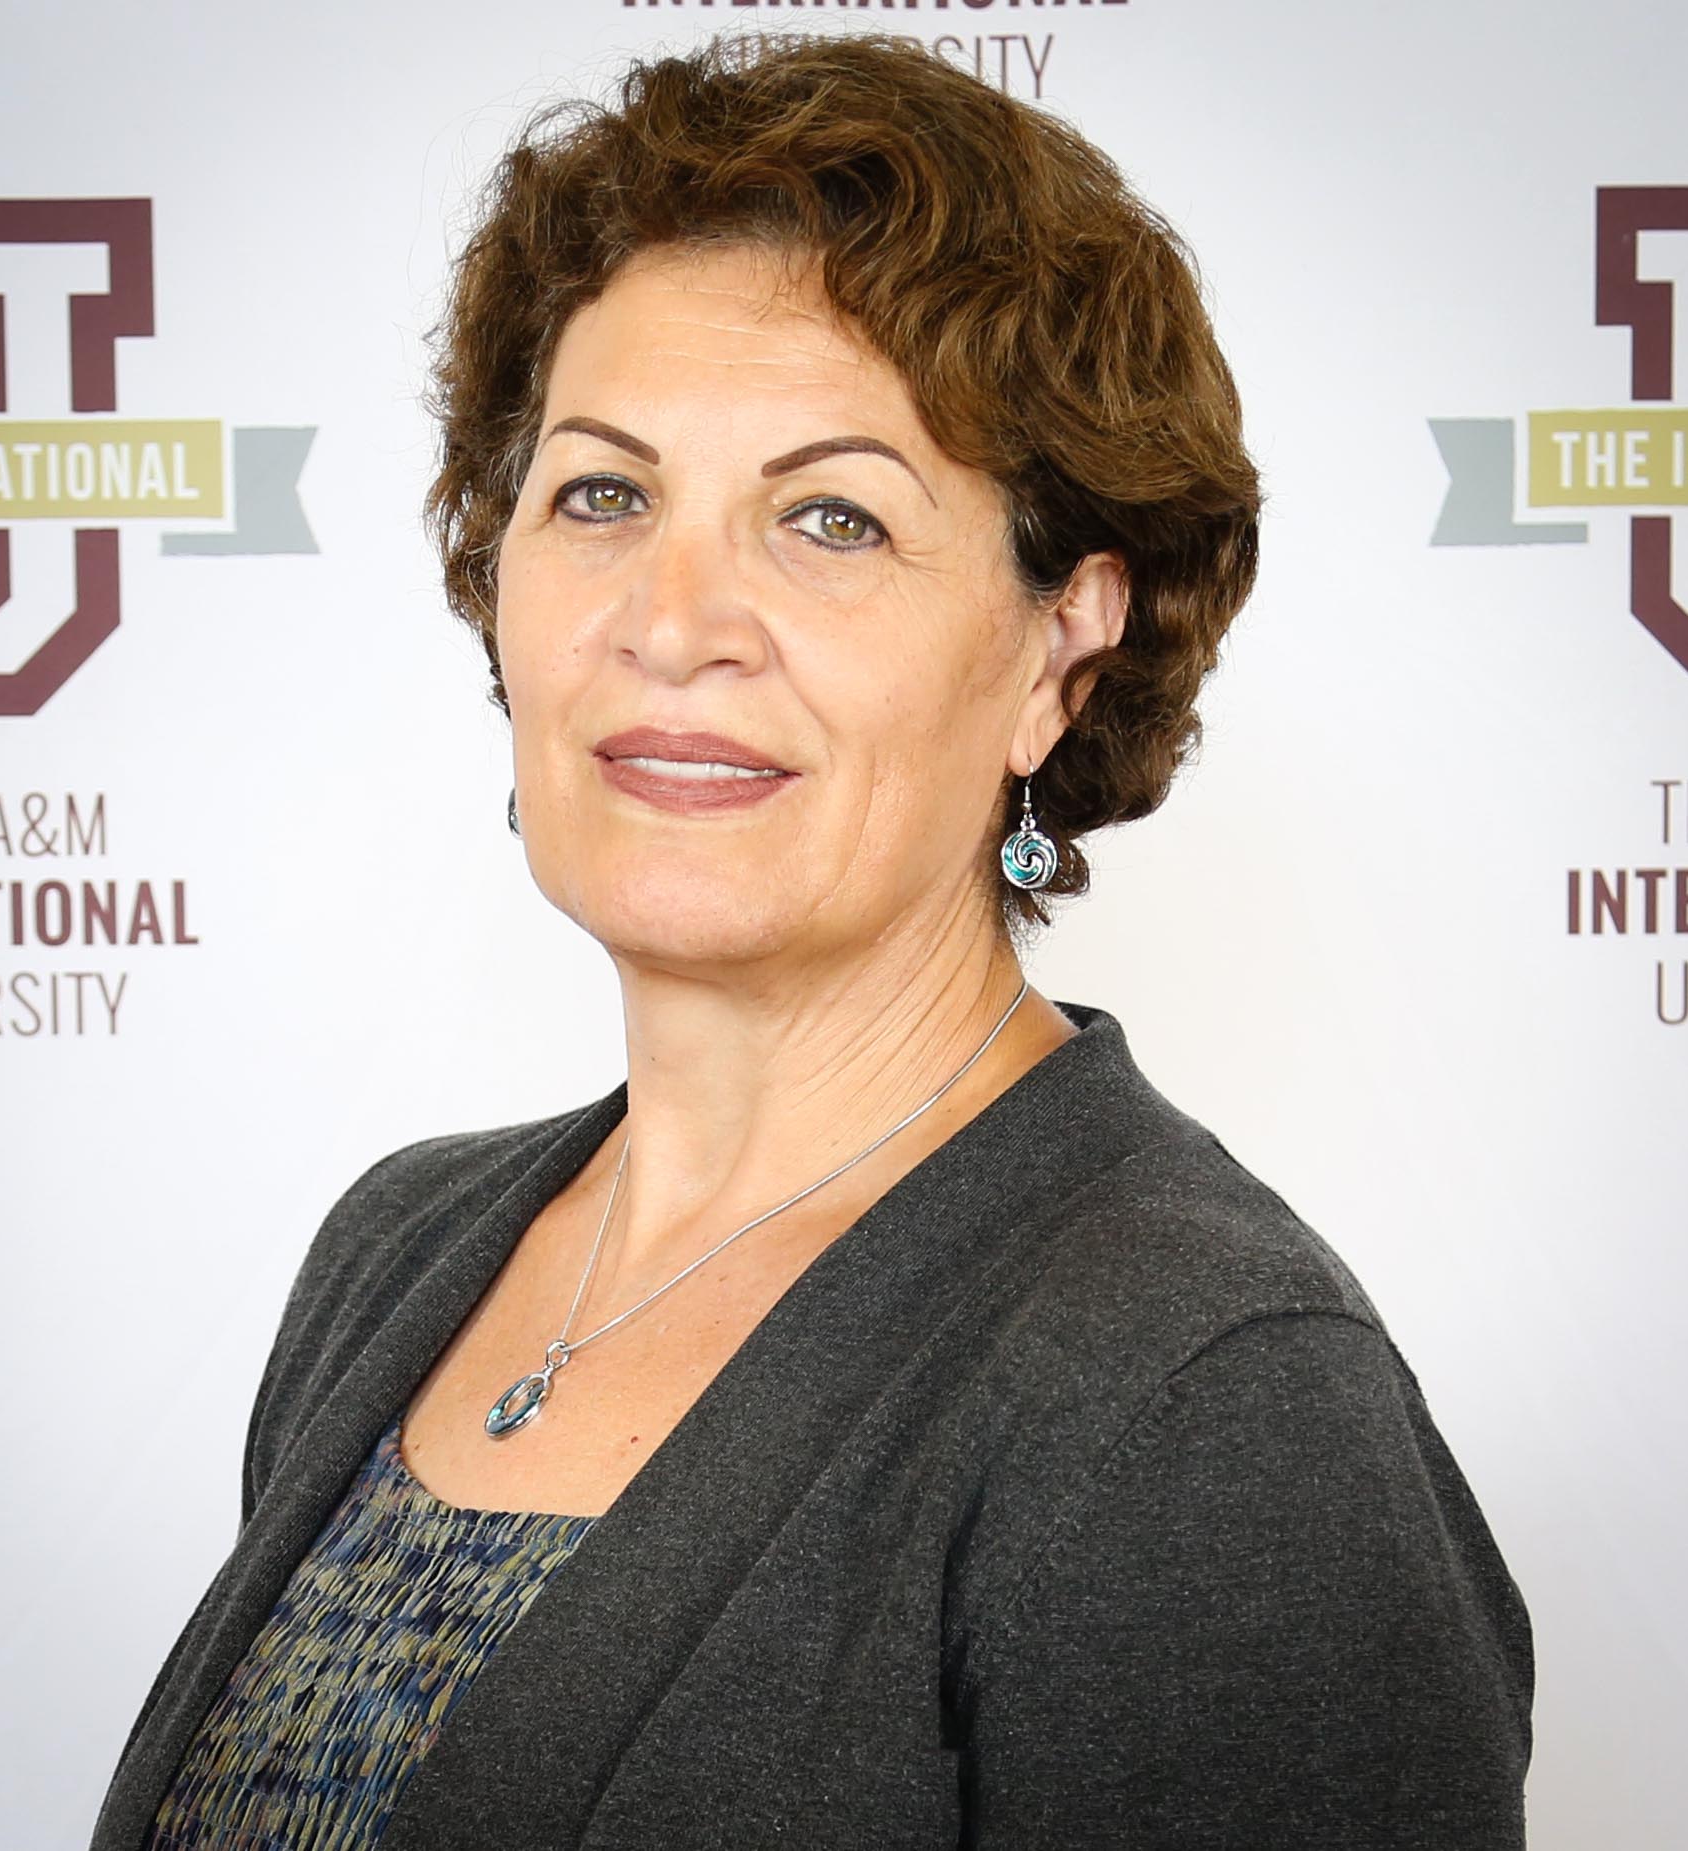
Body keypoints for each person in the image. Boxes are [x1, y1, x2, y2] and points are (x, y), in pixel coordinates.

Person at [92, 30, 1533, 1850]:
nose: (673, 620)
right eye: (603, 494)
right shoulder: (399, 1251)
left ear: (1060, 648)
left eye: (831, 518)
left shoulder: (1211, 1395)